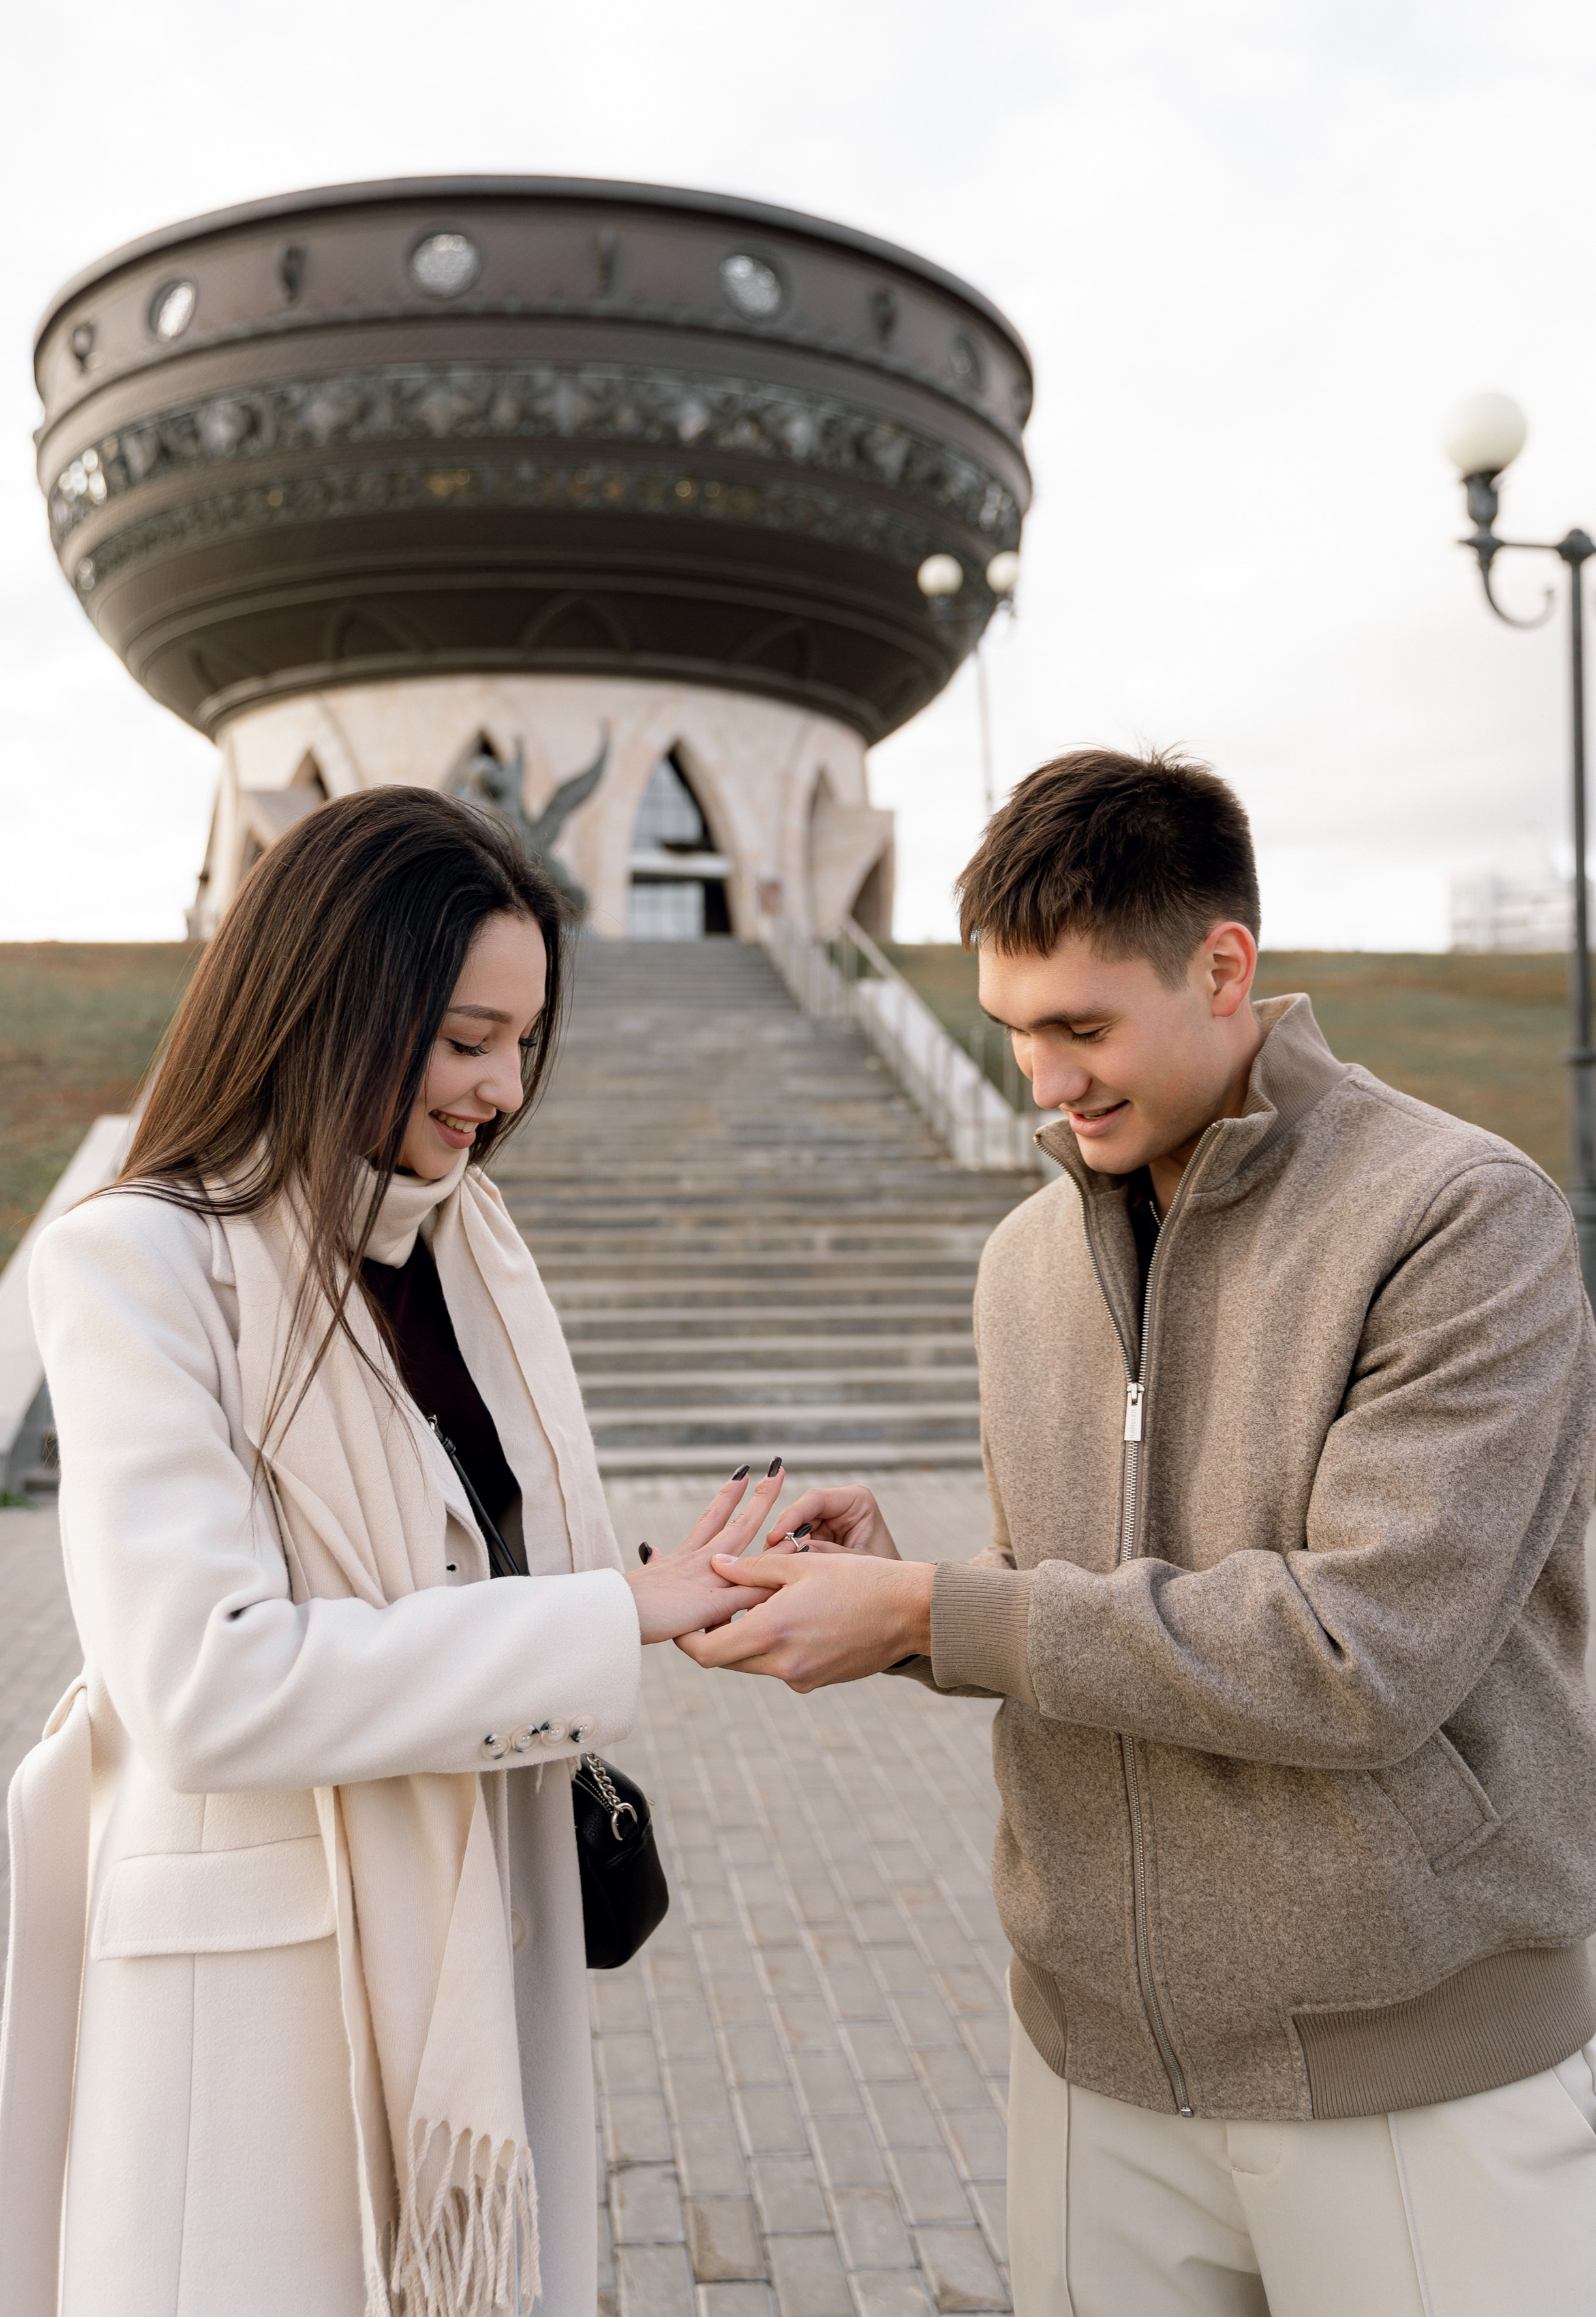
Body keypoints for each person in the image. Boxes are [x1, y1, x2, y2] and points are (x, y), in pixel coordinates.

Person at [681, 747, 1596, 2315]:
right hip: (1090, 2069)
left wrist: (935, 1610)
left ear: (1221, 967)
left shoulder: (1457, 1215)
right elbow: (1081, 1603)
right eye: (1012, 1029)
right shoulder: (1019, 1261)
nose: (1041, 1078)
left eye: (1081, 1027)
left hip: (1412, 2071)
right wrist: (902, 1592)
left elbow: (1358, 1654)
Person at [0, 786, 782, 2317]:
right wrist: (605, 1617)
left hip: (481, 1922)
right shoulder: (139, 1264)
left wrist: (676, 1587)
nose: (502, 1089)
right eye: (467, 1038)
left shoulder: (466, 1246)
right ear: (336, 1004)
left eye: (524, 1042)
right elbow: (203, 1687)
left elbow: (494, 1562)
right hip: (255, 2006)